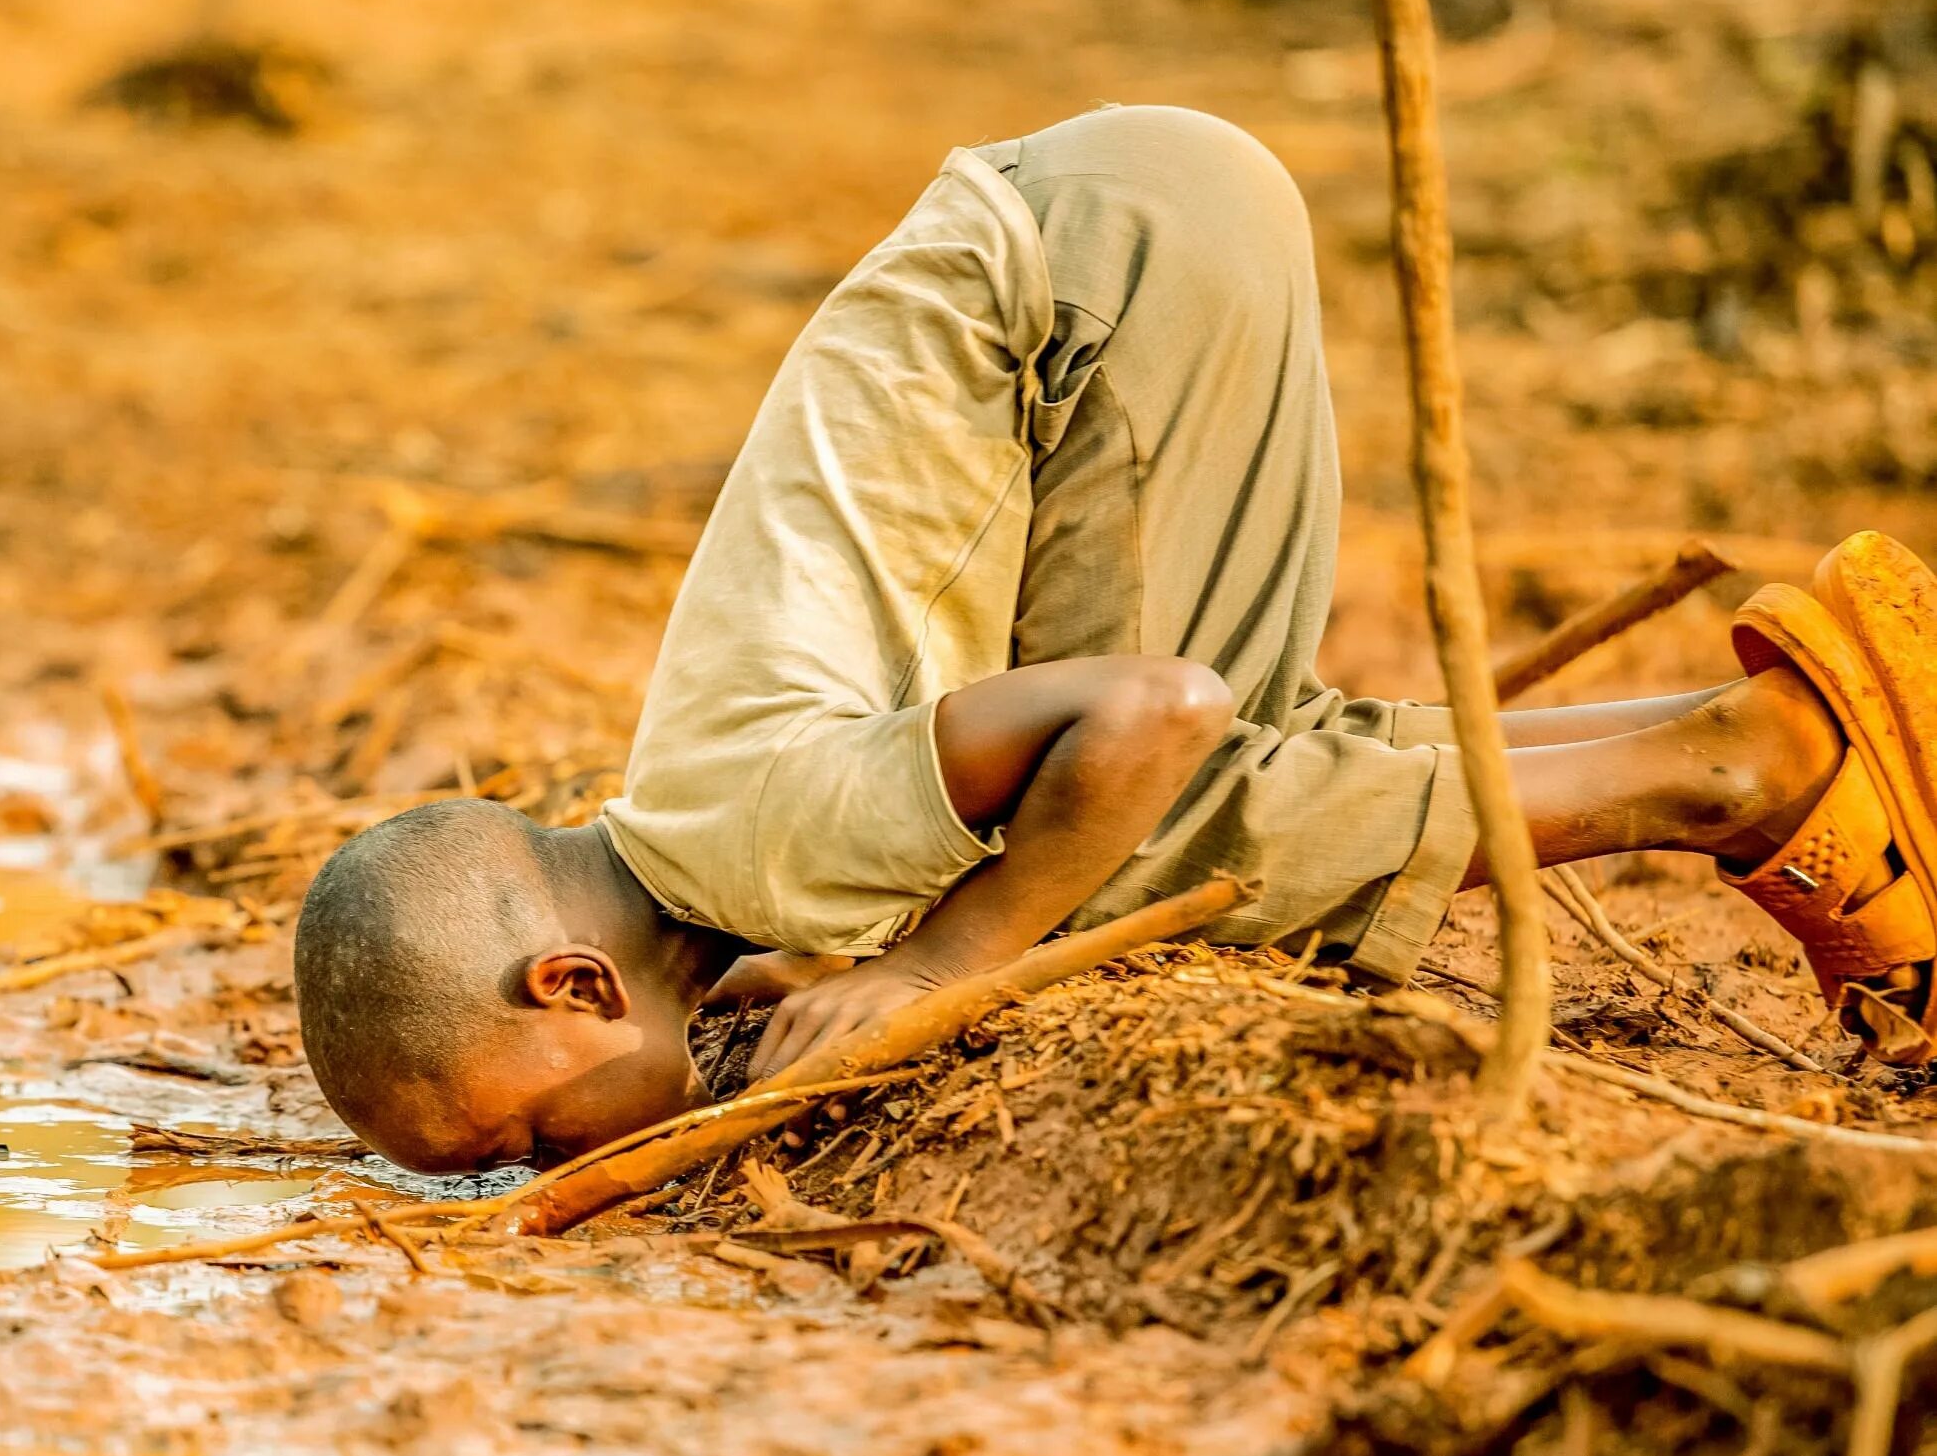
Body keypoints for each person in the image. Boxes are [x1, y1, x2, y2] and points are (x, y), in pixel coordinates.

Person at [292, 104, 1937, 1174]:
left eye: (510, 1140)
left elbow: (1153, 710)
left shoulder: (756, 840)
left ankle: (1754, 773)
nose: (538, 1169)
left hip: (1097, 290)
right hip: (1120, 223)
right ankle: (1790, 708)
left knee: (1140, 841)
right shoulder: (715, 833)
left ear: (575, 984)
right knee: (1180, 794)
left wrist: (942, 963)